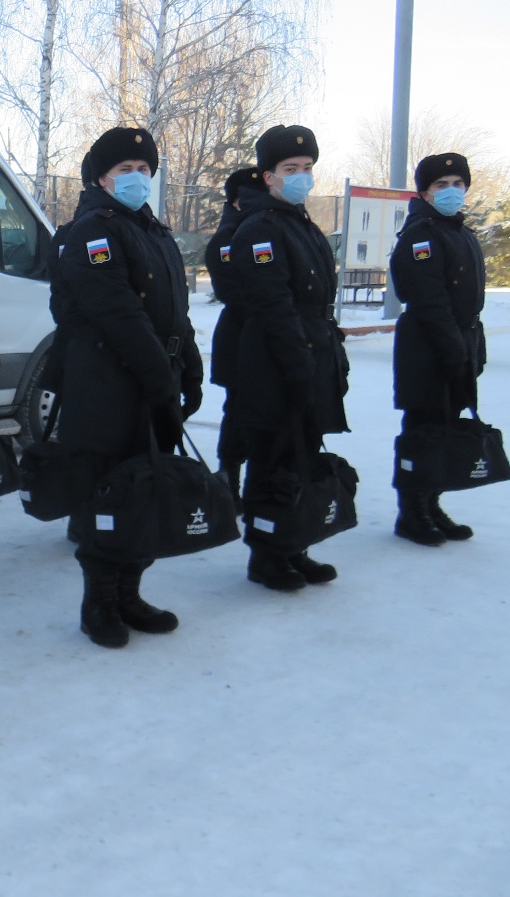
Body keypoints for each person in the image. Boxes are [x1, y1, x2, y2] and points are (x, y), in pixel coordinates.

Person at [51, 127, 202, 648]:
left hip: (153, 380)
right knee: (111, 495)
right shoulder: (93, 231)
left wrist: (190, 368)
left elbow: (176, 311)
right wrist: (161, 378)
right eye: (125, 170)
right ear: (101, 178)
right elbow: (116, 312)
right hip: (108, 387)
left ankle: (130, 594)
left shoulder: (152, 231)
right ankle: (99, 603)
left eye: (144, 170)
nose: (138, 178)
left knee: (146, 492)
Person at [227, 125, 348, 591]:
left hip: (311, 357)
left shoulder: (301, 224)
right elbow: (272, 306)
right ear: (268, 176)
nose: (301, 176)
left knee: (301, 455)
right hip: (276, 364)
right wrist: (298, 366)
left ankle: (294, 543)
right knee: (271, 459)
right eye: (290, 168)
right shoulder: (260, 228)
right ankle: (266, 555)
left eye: (307, 168)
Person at [390, 152, 486, 545]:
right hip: (427, 349)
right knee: (423, 430)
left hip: (457, 344)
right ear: (425, 193)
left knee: (444, 427)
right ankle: (412, 511)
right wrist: (452, 349)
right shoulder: (422, 234)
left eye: (458, 184)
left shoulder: (460, 232)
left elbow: (470, 301)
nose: (451, 191)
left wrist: (472, 350)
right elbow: (428, 299)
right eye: (441, 185)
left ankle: (431, 504)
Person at [205, 166, 265, 504]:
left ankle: (260, 485)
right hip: (240, 340)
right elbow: (235, 292)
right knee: (239, 412)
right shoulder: (227, 239)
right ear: (236, 202)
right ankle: (229, 481)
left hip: (266, 338)